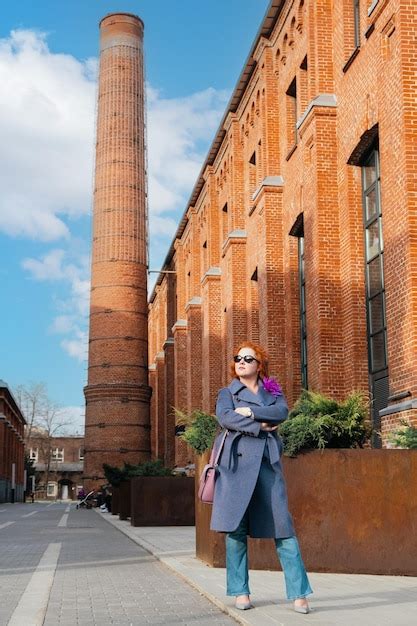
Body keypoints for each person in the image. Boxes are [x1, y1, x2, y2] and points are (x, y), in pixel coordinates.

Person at [210, 341, 312, 614]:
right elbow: (225, 418)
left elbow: (281, 412)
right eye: (237, 358)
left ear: (259, 365)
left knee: (284, 527)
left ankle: (299, 593)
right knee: (236, 529)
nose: (241, 361)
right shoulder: (227, 393)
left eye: (248, 358)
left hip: (268, 464)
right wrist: (260, 427)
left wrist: (253, 411)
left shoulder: (273, 392)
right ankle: (240, 591)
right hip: (235, 468)